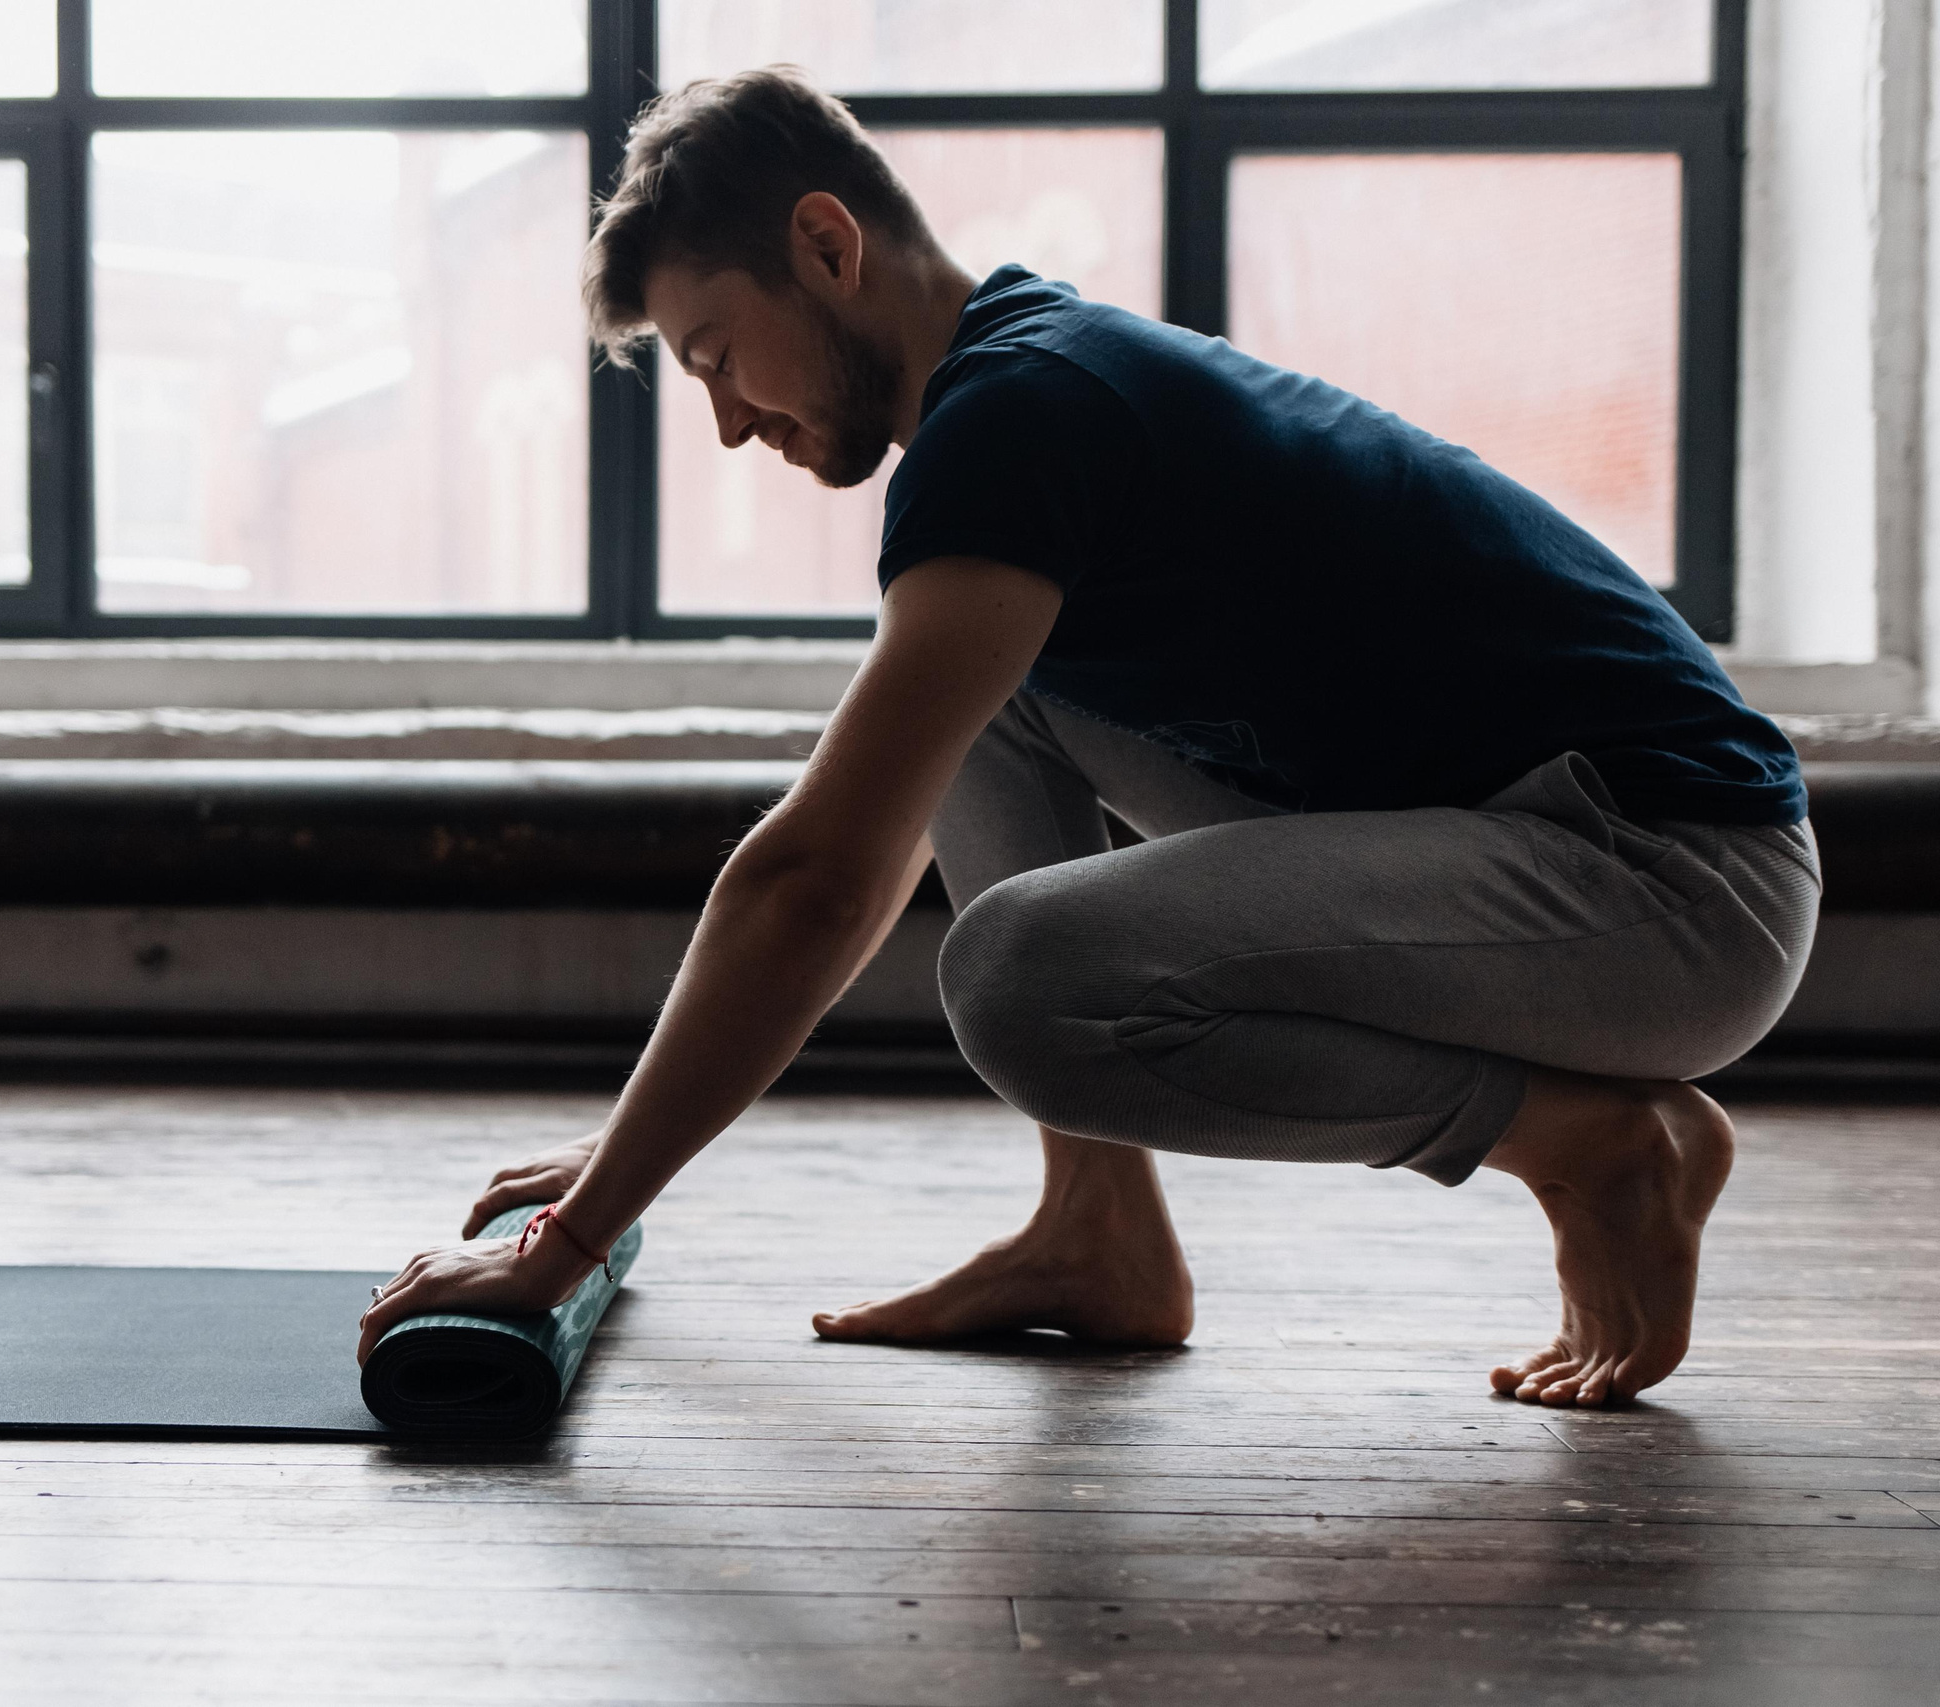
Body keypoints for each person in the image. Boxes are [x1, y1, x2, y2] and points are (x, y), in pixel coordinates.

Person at [357, 68, 1818, 1409]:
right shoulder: (1013, 398)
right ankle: (1099, 1231)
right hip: (1550, 845)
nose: (734, 423)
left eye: (719, 357)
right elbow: (866, 837)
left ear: (825, 243)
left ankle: (1593, 1147)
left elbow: (821, 879)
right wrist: (618, 1172)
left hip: (1670, 881)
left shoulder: (1023, 413)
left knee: (1020, 977)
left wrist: (576, 1230)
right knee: (981, 700)